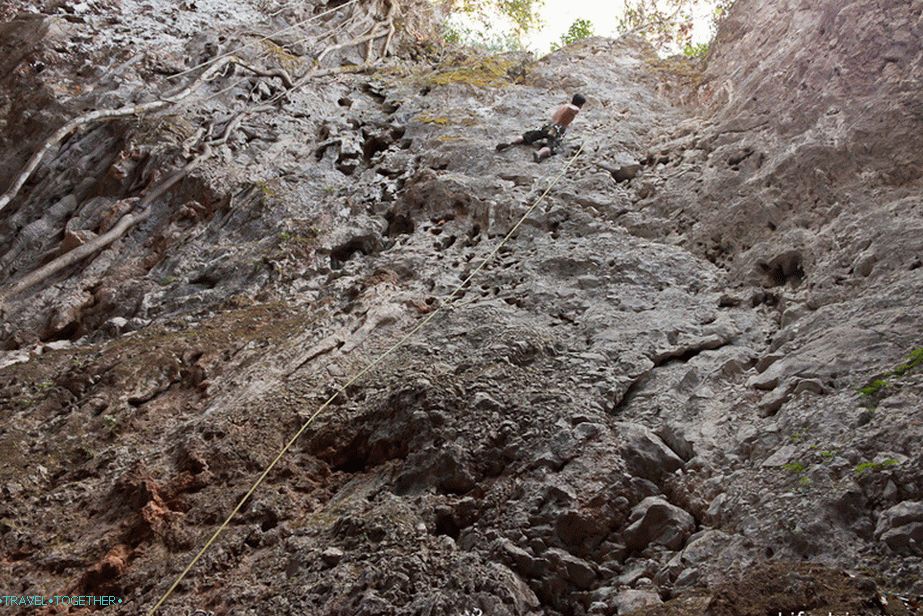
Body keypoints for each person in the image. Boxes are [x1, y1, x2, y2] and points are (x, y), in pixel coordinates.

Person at [496, 93, 586, 162]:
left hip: (547, 126)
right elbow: (574, 110)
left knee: (527, 136)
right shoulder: (573, 108)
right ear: (580, 104)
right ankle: (539, 154)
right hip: (557, 129)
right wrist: (575, 110)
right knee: (551, 146)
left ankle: (511, 142)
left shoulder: (564, 106)